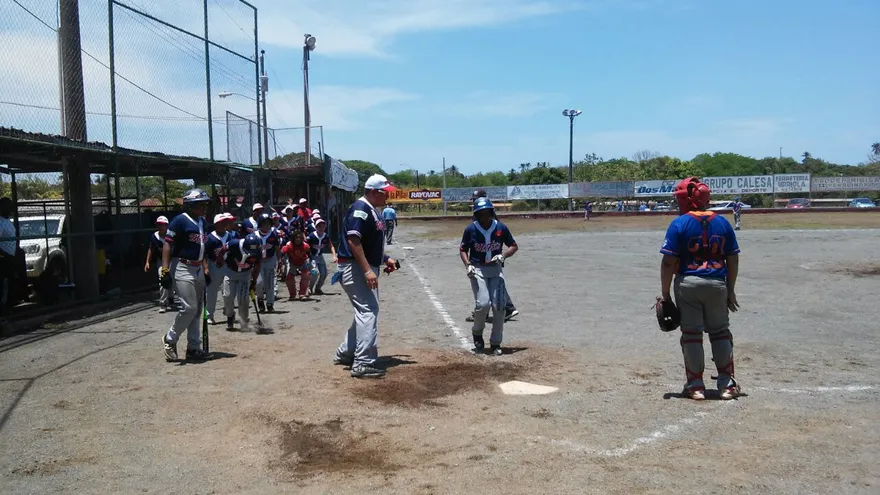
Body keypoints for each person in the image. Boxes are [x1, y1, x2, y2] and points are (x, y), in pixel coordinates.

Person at [659, 177, 741, 401]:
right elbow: (732, 258)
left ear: (688, 200)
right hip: (717, 283)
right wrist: (730, 289)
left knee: (692, 335)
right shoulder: (723, 223)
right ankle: (727, 385)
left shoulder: (679, 223)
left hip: (688, 284)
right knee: (720, 332)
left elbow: (668, 263)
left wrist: (665, 294)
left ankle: (695, 385)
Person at [333, 174, 400, 378]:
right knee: (368, 311)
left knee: (365, 311)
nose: (387, 196)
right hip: (354, 268)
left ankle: (347, 352)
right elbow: (353, 241)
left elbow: (368, 243)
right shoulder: (361, 209)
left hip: (359, 266)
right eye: (384, 192)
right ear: (372, 191)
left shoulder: (372, 210)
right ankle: (362, 362)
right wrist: (367, 270)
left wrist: (384, 258)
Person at [460, 197, 518, 355]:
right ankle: (477, 332)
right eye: (481, 214)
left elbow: (513, 245)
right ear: (476, 215)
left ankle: (495, 343)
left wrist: (503, 256)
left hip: (496, 269)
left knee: (499, 307)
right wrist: (468, 264)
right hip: (478, 269)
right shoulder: (471, 229)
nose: (485, 217)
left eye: (487, 213)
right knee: (483, 304)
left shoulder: (500, 227)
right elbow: (463, 249)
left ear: (492, 213)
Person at [160, 188, 211, 362]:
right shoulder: (179, 221)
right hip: (182, 266)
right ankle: (170, 338)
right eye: (200, 204)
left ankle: (193, 348)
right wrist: (165, 270)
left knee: (196, 310)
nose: (204, 207)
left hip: (198, 268)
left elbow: (202, 248)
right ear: (190, 206)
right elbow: (167, 245)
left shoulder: (202, 222)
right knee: (189, 307)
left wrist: (206, 268)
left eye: (205, 203)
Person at [466, 189, 520, 323]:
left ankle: (507, 307)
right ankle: (502, 308)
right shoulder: (479, 213)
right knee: (486, 286)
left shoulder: (489, 215)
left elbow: (497, 232)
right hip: (485, 257)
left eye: (475, 199)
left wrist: (500, 254)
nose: (474, 201)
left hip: (491, 257)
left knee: (491, 285)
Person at [222, 232, 262, 332]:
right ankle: (230, 316)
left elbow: (257, 266)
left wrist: (254, 282)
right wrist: (219, 261)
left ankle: (244, 320)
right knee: (228, 296)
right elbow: (222, 250)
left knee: (243, 298)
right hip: (230, 271)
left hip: (245, 274)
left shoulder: (258, 251)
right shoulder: (233, 244)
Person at [204, 213, 237, 324]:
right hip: (214, 266)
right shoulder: (209, 238)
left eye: (224, 222)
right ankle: (209, 315)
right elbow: (204, 254)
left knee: (229, 291)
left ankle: (229, 312)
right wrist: (206, 268)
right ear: (216, 224)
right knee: (212, 291)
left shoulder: (230, 236)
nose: (223, 224)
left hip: (228, 266)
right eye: (220, 223)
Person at [144, 216, 175, 313]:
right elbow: (151, 249)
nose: (160, 227)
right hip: (161, 261)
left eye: (162, 225)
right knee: (163, 279)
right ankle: (163, 303)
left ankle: (171, 297)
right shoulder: (155, 236)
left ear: (167, 226)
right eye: (159, 225)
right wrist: (147, 262)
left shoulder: (172, 234)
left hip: (173, 260)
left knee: (172, 280)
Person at [254, 213, 281, 313]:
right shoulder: (254, 236)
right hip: (258, 261)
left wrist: (280, 260)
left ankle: (270, 304)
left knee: (269, 283)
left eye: (269, 223)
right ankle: (260, 299)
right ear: (260, 224)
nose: (267, 226)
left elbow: (277, 249)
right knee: (259, 283)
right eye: (264, 223)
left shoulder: (273, 235)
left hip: (270, 260)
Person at [306, 218, 337, 295]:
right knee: (315, 273)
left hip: (320, 257)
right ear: (316, 227)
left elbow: (331, 245)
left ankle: (318, 288)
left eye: (323, 226)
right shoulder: (312, 236)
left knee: (324, 273)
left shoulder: (325, 236)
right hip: (312, 257)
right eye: (319, 226)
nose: (321, 228)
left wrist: (334, 255)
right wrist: (307, 256)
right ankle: (309, 288)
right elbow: (306, 246)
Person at [281, 230, 312, 300]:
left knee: (306, 275)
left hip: (302, 262)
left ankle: (302, 293)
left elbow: (310, 254)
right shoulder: (289, 246)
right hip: (292, 263)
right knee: (289, 278)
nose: (298, 239)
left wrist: (312, 264)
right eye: (296, 238)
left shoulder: (305, 246)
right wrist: (281, 262)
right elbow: (282, 252)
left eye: (300, 238)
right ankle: (292, 294)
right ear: (293, 238)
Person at [0, 197, 17, 315]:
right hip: (3, 258)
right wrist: (5, 255)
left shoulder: (7, 221)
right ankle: (3, 309)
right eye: (9, 206)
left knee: (9, 282)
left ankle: (7, 307)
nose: (11, 209)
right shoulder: (0, 221)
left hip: (11, 257)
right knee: (3, 284)